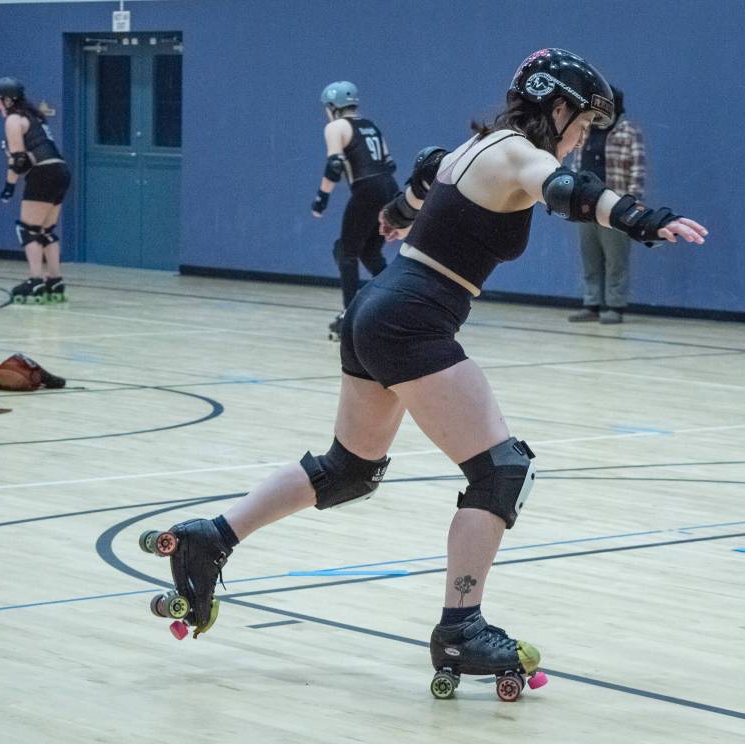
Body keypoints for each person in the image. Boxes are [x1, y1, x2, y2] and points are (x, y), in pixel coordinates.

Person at [139, 49, 706, 701]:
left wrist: (400, 215)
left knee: (349, 469)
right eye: (581, 125)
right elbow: (567, 193)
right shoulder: (518, 153)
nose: (583, 138)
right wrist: (640, 218)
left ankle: (212, 539)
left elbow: (425, 174)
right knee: (501, 469)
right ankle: (461, 627)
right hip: (412, 316)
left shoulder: (476, 147)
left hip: (376, 309)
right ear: (556, 108)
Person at [311, 81, 398, 340]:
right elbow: (389, 164)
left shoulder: (336, 127)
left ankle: (350, 315)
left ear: (331, 107)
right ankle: (396, 302)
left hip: (367, 189)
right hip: (389, 188)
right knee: (370, 253)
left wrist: (322, 197)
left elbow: (334, 166)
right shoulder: (370, 126)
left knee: (345, 251)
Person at [0, 77, 72, 304]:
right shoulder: (34, 117)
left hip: (44, 173)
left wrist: (9, 187)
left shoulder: (14, 119)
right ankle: (54, 280)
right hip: (61, 171)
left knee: (29, 230)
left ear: (8, 100)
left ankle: (35, 281)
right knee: (46, 230)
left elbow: (19, 162)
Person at [567, 87, 644, 323]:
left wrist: (634, 203)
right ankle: (592, 303)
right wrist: (571, 196)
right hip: (586, 206)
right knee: (590, 256)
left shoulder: (628, 131)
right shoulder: (586, 129)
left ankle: (615, 306)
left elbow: (638, 169)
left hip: (616, 205)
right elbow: (575, 164)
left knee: (615, 258)